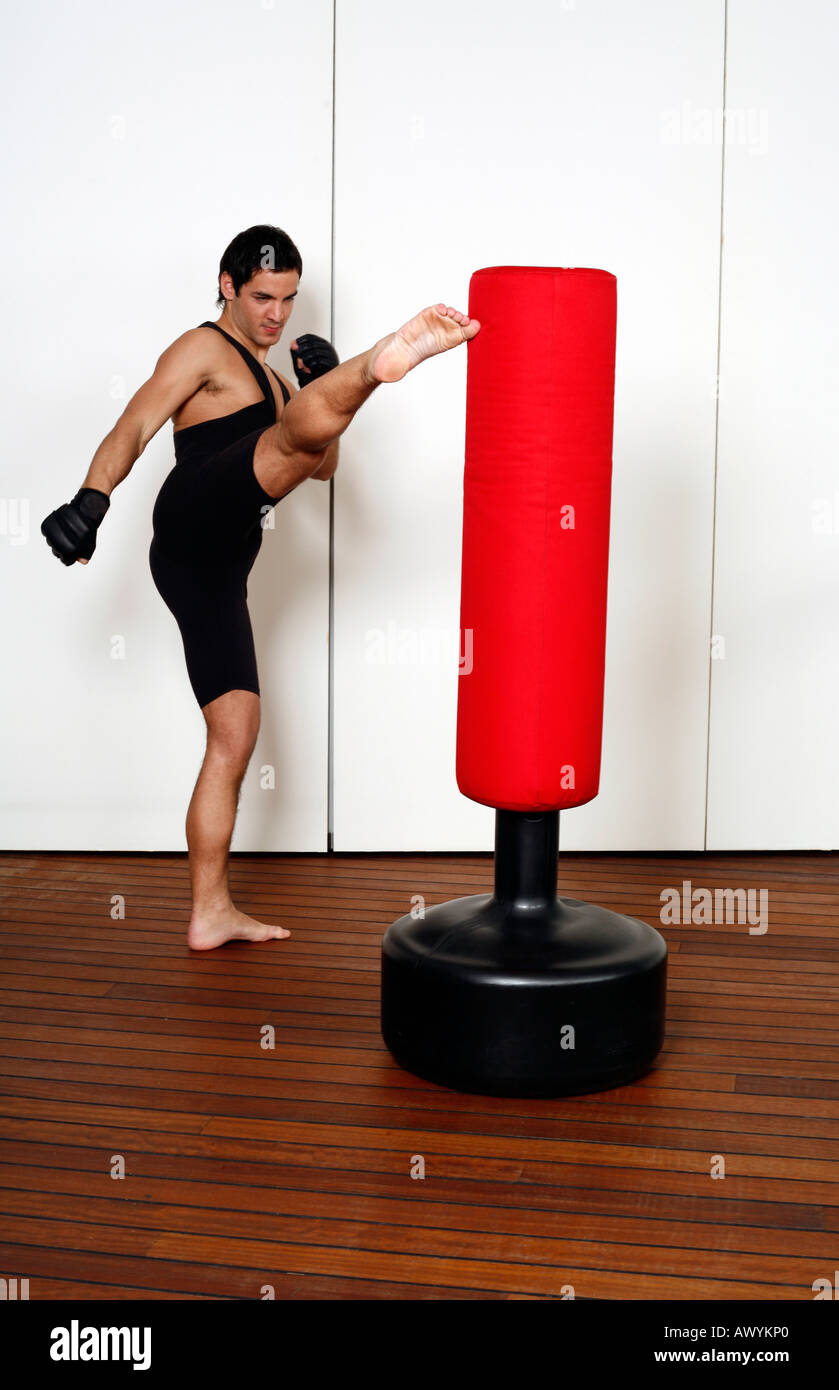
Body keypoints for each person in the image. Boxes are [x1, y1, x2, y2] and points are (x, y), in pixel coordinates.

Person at [41, 224, 481, 950]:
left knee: (235, 735)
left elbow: (324, 464)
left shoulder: (280, 381)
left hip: (217, 567)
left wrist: (315, 388)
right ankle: (382, 362)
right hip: (189, 521)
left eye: (287, 299)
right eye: (261, 297)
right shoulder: (201, 349)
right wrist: (91, 501)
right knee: (287, 438)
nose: (276, 313)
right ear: (226, 286)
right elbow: (136, 422)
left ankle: (209, 911)